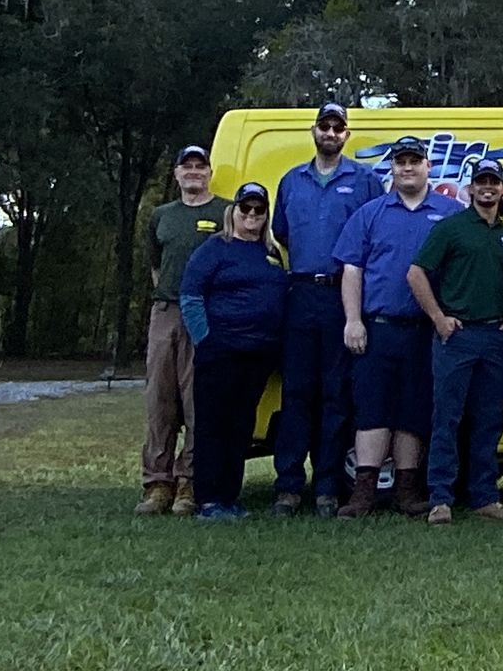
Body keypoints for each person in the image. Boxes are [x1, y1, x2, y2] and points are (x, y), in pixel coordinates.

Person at [332, 134, 463, 517]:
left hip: (426, 331)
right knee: (372, 411)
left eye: (414, 161)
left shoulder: (450, 213)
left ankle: (407, 492)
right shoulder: (370, 213)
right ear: (392, 167)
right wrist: (353, 320)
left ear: (428, 166)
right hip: (377, 328)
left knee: (413, 414)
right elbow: (352, 269)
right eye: (401, 161)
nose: (407, 168)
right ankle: (363, 493)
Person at [270, 102, 376, 517]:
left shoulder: (365, 180)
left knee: (336, 395)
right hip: (299, 294)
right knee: (296, 393)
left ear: (346, 135)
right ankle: (288, 486)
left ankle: (328, 486)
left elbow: (374, 236)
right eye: (324, 126)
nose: (330, 133)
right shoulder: (291, 181)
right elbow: (281, 233)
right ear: (313, 131)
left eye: (338, 127)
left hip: (341, 296)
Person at [408, 157, 503, 524]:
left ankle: (485, 497)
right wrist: (439, 319)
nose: (488, 188)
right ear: (470, 188)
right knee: (447, 418)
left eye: (494, 182)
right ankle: (440, 498)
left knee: (489, 420)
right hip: (456, 337)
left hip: (493, 338)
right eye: (481, 182)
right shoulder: (451, 228)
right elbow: (416, 273)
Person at [179, 182, 288, 520]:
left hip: (258, 354)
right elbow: (190, 295)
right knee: (214, 425)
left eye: (259, 209)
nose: (252, 214)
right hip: (221, 351)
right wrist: (205, 339)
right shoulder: (215, 249)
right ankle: (209, 500)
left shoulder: (270, 253)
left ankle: (230, 497)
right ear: (234, 211)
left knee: (241, 426)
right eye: (246, 208)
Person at [136, 144, 230, 517]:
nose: (193, 171)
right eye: (186, 166)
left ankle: (189, 482)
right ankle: (158, 484)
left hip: (205, 314)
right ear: (176, 174)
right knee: (160, 400)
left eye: (199, 166)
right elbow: (155, 265)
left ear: (209, 172)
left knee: (197, 402)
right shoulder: (162, 215)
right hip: (166, 311)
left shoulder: (224, 212)